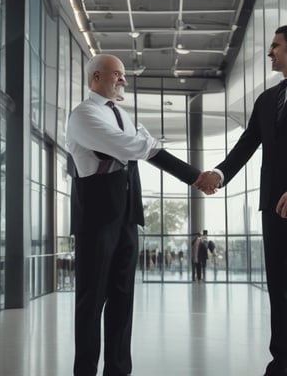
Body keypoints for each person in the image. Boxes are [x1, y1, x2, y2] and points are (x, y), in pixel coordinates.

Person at [195, 25, 287, 376]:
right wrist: (219, 174)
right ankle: (280, 362)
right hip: (271, 207)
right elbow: (247, 144)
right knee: (279, 287)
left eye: (275, 46)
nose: (270, 52)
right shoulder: (267, 99)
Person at [67, 54, 200, 376]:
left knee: (122, 300)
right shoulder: (84, 115)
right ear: (97, 76)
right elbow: (132, 147)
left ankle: (118, 370)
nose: (123, 80)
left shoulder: (122, 115)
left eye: (123, 75)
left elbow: (147, 143)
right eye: (118, 75)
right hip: (96, 220)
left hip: (127, 218)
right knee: (91, 302)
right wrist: (194, 176)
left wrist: (191, 174)